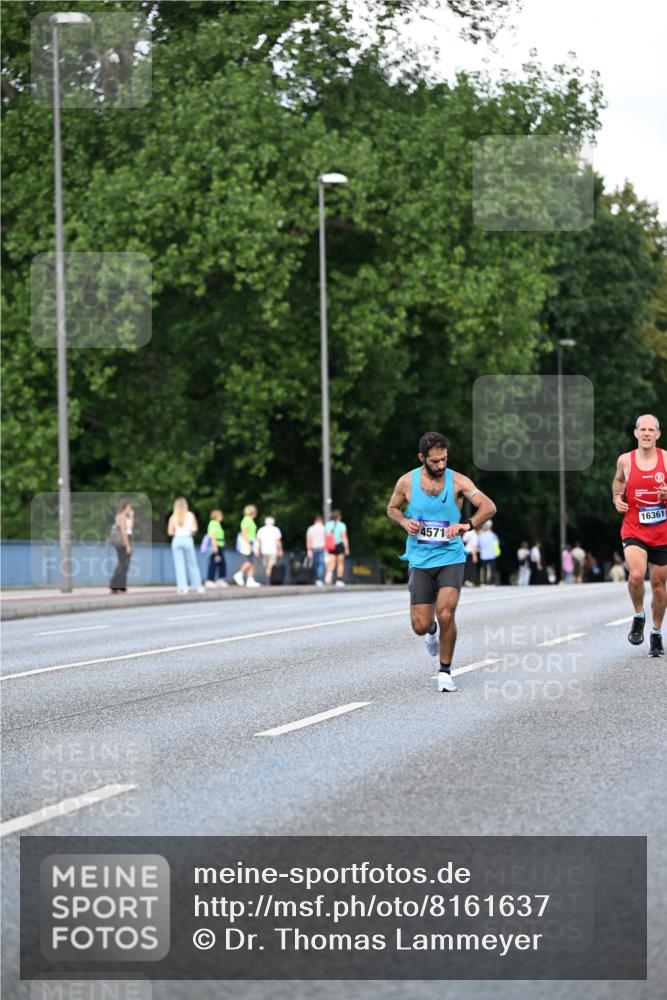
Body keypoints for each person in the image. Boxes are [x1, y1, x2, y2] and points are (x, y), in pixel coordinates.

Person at [387, 431, 496, 692]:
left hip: (450, 557)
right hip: (420, 559)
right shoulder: (406, 482)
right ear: (422, 458)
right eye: (435, 461)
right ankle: (431, 630)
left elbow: (489, 507)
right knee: (420, 625)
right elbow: (392, 508)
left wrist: (466, 525)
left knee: (446, 612)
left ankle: (445, 671)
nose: (441, 465)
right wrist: (404, 522)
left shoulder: (458, 481)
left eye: (444, 459)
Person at [612, 413, 667, 656]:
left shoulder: (666, 459)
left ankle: (656, 632)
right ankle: (638, 616)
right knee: (636, 575)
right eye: (642, 429)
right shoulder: (625, 460)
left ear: (658, 434)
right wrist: (617, 497)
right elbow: (618, 481)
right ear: (635, 433)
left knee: (659, 588)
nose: (646, 433)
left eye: (650, 430)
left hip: (663, 532)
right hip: (634, 528)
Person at [167, 497, 204, 594]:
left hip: (177, 540)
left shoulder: (173, 517)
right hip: (187, 539)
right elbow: (194, 529)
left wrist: (177, 531)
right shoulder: (190, 515)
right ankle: (198, 586)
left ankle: (183, 587)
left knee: (179, 565)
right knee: (193, 564)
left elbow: (170, 532)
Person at [109, 498, 134, 593]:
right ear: (125, 506)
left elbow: (130, 528)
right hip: (123, 540)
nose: (130, 508)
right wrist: (128, 545)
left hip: (126, 539)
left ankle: (118, 586)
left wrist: (132, 517)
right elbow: (123, 531)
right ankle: (116, 586)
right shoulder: (122, 516)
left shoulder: (125, 517)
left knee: (124, 564)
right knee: (123, 564)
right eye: (129, 506)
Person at [234, 505, 261, 588]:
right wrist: (249, 544)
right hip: (247, 543)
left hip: (251, 542)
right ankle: (239, 574)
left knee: (252, 562)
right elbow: (244, 532)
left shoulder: (250, 520)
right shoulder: (246, 520)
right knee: (248, 561)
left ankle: (250, 579)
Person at [203, 509, 228, 589]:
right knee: (213, 563)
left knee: (221, 563)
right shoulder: (213, 523)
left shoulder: (217, 524)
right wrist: (215, 547)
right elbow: (213, 536)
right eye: (220, 515)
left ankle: (220, 579)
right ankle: (209, 580)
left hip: (220, 545)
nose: (222, 517)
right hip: (215, 546)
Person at [324, 510, 349, 587]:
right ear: (339, 517)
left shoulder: (327, 525)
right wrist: (347, 548)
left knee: (331, 562)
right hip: (339, 545)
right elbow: (344, 537)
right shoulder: (342, 525)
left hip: (331, 545)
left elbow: (326, 536)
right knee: (340, 563)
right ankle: (339, 580)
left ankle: (329, 575)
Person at [256, 516, 283, 581]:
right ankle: (270, 578)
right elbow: (278, 541)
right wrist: (280, 549)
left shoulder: (261, 530)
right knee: (271, 565)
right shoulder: (276, 530)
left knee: (266, 566)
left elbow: (258, 541)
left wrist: (257, 549)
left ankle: (269, 578)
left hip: (264, 550)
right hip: (273, 550)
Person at [306, 514, 327, 586]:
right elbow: (327, 539)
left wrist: (309, 550)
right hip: (322, 548)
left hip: (313, 548)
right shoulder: (324, 528)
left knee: (315, 564)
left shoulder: (310, 529)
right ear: (321, 521)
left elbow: (309, 540)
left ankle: (316, 579)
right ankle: (319, 579)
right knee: (321, 564)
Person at [477, 520, 500, 585]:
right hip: (492, 554)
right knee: (493, 569)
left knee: (484, 569)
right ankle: (492, 582)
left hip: (483, 554)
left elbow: (478, 544)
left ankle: (484, 582)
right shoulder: (493, 535)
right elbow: (497, 543)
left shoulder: (481, 535)